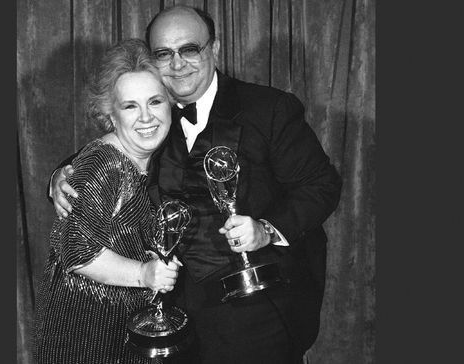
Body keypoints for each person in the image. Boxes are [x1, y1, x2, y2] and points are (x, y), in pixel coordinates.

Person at [49, 6, 342, 364]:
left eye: (190, 49)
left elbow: (322, 185)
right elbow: (108, 152)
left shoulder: (269, 108)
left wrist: (266, 229)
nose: (178, 64)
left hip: (259, 310)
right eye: (163, 54)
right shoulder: (154, 112)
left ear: (214, 49)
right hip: (175, 312)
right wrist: (60, 174)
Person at [33, 38, 181, 364]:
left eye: (155, 102)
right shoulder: (106, 164)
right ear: (109, 113)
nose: (146, 117)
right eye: (130, 106)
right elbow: (77, 251)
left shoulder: (140, 161)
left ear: (170, 104)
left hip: (117, 330)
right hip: (85, 336)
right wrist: (145, 274)